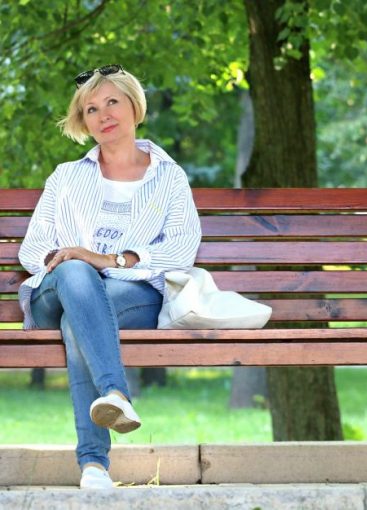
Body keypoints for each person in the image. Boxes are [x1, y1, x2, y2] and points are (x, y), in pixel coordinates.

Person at [18, 64, 202, 489]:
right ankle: (116, 394)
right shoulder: (66, 177)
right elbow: (33, 249)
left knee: (78, 321)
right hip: (55, 293)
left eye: (112, 102)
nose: (103, 115)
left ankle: (94, 466)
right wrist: (76, 261)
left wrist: (109, 259)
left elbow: (181, 248)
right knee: (76, 275)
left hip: (130, 295)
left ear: (134, 106)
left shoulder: (169, 178)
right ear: (84, 122)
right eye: (91, 109)